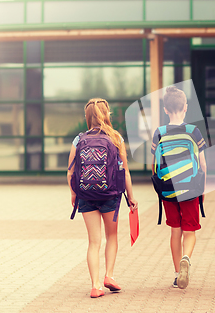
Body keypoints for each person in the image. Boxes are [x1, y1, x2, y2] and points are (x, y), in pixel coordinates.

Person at [67, 98, 138, 298]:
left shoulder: (78, 139)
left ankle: (96, 285)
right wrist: (131, 196)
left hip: (86, 195)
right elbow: (125, 171)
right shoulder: (116, 138)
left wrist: (74, 194)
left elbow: (70, 172)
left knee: (93, 241)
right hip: (110, 195)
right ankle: (109, 275)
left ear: (87, 117)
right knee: (112, 236)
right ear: (107, 115)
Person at [151, 86, 207, 290]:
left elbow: (154, 165)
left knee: (175, 230)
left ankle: (177, 275)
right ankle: (186, 258)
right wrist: (202, 189)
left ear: (165, 109)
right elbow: (203, 164)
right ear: (185, 108)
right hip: (190, 189)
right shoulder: (193, 131)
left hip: (167, 190)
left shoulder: (159, 132)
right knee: (189, 230)